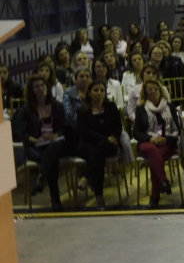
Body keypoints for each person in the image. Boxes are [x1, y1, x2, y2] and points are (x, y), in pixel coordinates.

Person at [13, 74, 69, 210]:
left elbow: (66, 128)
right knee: (51, 159)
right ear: (31, 90)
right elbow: (19, 132)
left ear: (47, 87)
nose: (40, 88)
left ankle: (42, 179)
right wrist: (35, 139)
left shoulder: (57, 106)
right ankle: (55, 200)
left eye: (43, 85)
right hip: (35, 146)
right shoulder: (26, 109)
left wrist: (55, 135)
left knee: (52, 151)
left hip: (56, 143)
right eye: (36, 86)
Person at [134, 80, 183, 209]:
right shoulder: (140, 109)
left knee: (155, 159)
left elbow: (177, 129)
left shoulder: (170, 107)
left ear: (160, 91)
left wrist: (165, 139)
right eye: (149, 89)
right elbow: (136, 133)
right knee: (152, 150)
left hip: (166, 143)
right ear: (145, 93)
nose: (153, 92)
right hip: (148, 143)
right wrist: (150, 138)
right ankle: (163, 181)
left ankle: (155, 197)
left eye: (155, 88)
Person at [75, 80, 123, 211]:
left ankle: (87, 178)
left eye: (102, 90)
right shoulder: (83, 110)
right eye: (95, 90)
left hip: (108, 144)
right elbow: (84, 132)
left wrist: (115, 137)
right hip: (88, 143)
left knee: (97, 153)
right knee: (97, 155)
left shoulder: (111, 106)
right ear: (90, 93)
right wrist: (105, 138)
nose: (99, 93)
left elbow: (118, 126)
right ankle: (99, 196)